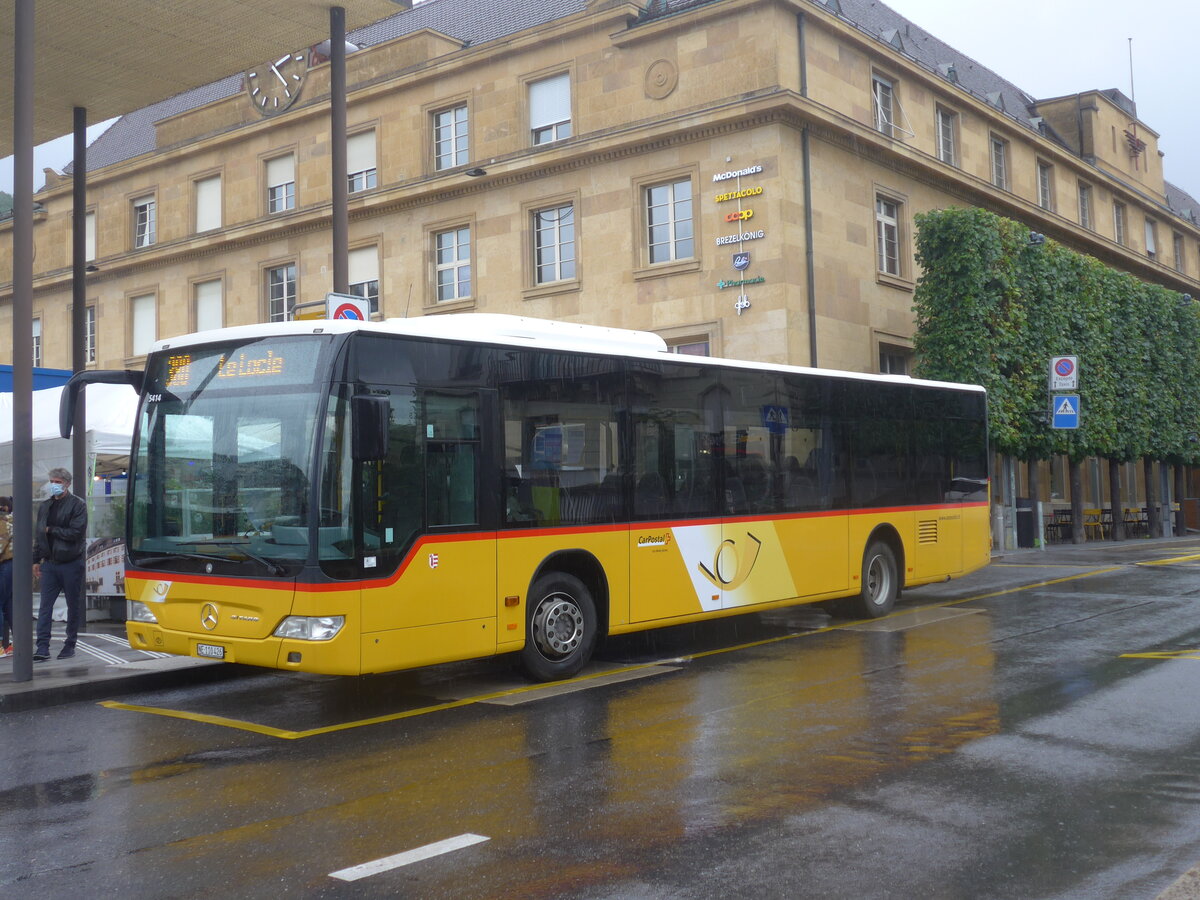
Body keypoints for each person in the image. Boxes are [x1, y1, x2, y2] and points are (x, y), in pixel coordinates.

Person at [33, 469, 88, 661]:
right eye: (51, 481)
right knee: (45, 607)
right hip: (50, 562)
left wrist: (51, 529)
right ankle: (42, 647)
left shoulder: (78, 505)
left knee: (73, 605)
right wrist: (36, 559)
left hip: (71, 562)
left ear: (67, 483)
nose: (53, 484)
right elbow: (39, 535)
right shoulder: (45, 506)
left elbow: (76, 532)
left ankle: (69, 644)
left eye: (57, 481)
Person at [0, 496, 12, 657]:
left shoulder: (3, 522)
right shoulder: (15, 520)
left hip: (5, 564)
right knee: (8, 605)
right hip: (14, 566)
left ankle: (1, 645)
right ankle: (10, 645)